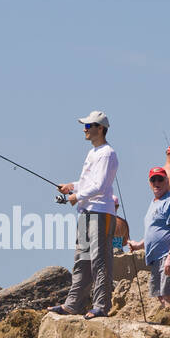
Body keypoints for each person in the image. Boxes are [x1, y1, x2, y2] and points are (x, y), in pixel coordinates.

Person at [50, 110, 120, 319]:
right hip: (86, 212)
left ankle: (101, 306)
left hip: (100, 212)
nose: (85, 129)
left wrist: (76, 196)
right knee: (82, 259)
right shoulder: (93, 153)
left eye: (89, 126)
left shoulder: (108, 153)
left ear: (100, 128)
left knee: (100, 260)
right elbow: (89, 183)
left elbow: (100, 186)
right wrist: (72, 186)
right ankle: (72, 305)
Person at [127, 167, 170, 305]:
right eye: (153, 179)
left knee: (168, 295)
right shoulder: (154, 203)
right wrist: (139, 245)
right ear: (150, 183)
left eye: (160, 179)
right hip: (157, 258)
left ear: (167, 181)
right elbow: (156, 231)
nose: (156, 182)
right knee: (161, 296)